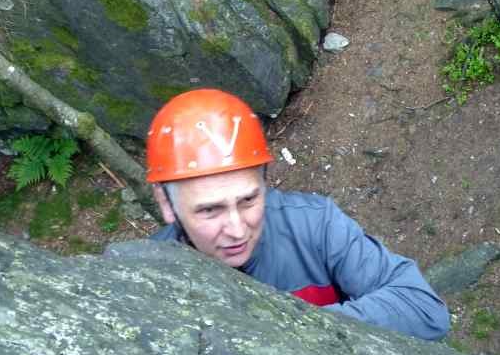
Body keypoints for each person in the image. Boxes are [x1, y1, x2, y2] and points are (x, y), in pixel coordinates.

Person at [146, 88, 450, 341]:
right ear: (165, 203)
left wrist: (294, 331)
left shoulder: (315, 225)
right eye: (210, 210)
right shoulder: (148, 279)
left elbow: (423, 309)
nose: (238, 230)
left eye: (249, 200)